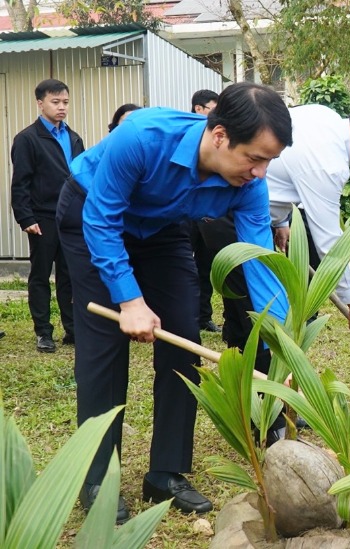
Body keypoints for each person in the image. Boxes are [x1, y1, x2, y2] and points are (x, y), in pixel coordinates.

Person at [56, 82, 292, 523]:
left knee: (183, 339)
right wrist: (129, 300)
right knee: (105, 349)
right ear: (219, 136)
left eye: (269, 161)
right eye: (255, 158)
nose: (260, 173)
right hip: (94, 214)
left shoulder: (248, 185)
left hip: (162, 229)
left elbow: (259, 261)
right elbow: (102, 218)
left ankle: (165, 472)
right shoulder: (143, 137)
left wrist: (282, 342)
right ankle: (97, 480)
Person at [205, 97, 350, 350]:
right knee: (262, 321)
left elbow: (282, 171)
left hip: (243, 216)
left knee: (246, 315)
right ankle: (261, 384)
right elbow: (331, 247)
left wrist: (280, 221)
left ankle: (241, 380)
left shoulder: (323, 115)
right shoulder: (329, 163)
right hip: (234, 219)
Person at [11, 79, 84, 353]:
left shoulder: (73, 137)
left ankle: (73, 330)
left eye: (65, 102)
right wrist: (26, 218)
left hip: (70, 219)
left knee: (69, 276)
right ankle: (43, 332)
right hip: (42, 219)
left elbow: (82, 177)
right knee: (40, 276)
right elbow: (20, 183)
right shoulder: (27, 139)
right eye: (55, 102)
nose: (62, 107)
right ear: (40, 103)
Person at [190, 90, 223, 333]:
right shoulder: (190, 138)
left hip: (209, 217)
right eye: (212, 109)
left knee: (205, 266)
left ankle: (203, 315)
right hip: (186, 217)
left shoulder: (220, 142)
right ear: (198, 109)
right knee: (182, 266)